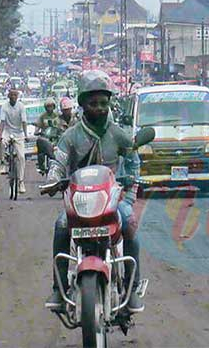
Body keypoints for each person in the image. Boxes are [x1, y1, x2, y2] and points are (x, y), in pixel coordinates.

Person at [46, 70, 144, 313]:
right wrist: (53, 179)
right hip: (79, 201)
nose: (99, 108)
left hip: (112, 200)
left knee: (129, 223)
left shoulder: (118, 134)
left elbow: (133, 161)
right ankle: (59, 288)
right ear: (82, 104)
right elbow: (58, 162)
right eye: (93, 103)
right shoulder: (70, 136)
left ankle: (131, 289)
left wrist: (130, 193)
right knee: (60, 226)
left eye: (103, 103)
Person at [0, 88, 28, 193]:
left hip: (19, 133)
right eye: (11, 95)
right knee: (1, 143)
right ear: (8, 96)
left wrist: (26, 134)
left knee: (21, 157)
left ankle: (21, 182)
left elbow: (24, 121)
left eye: (15, 95)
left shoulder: (21, 106)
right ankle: (3, 163)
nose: (13, 97)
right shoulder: (4, 107)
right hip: (7, 131)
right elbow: (2, 122)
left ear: (18, 96)